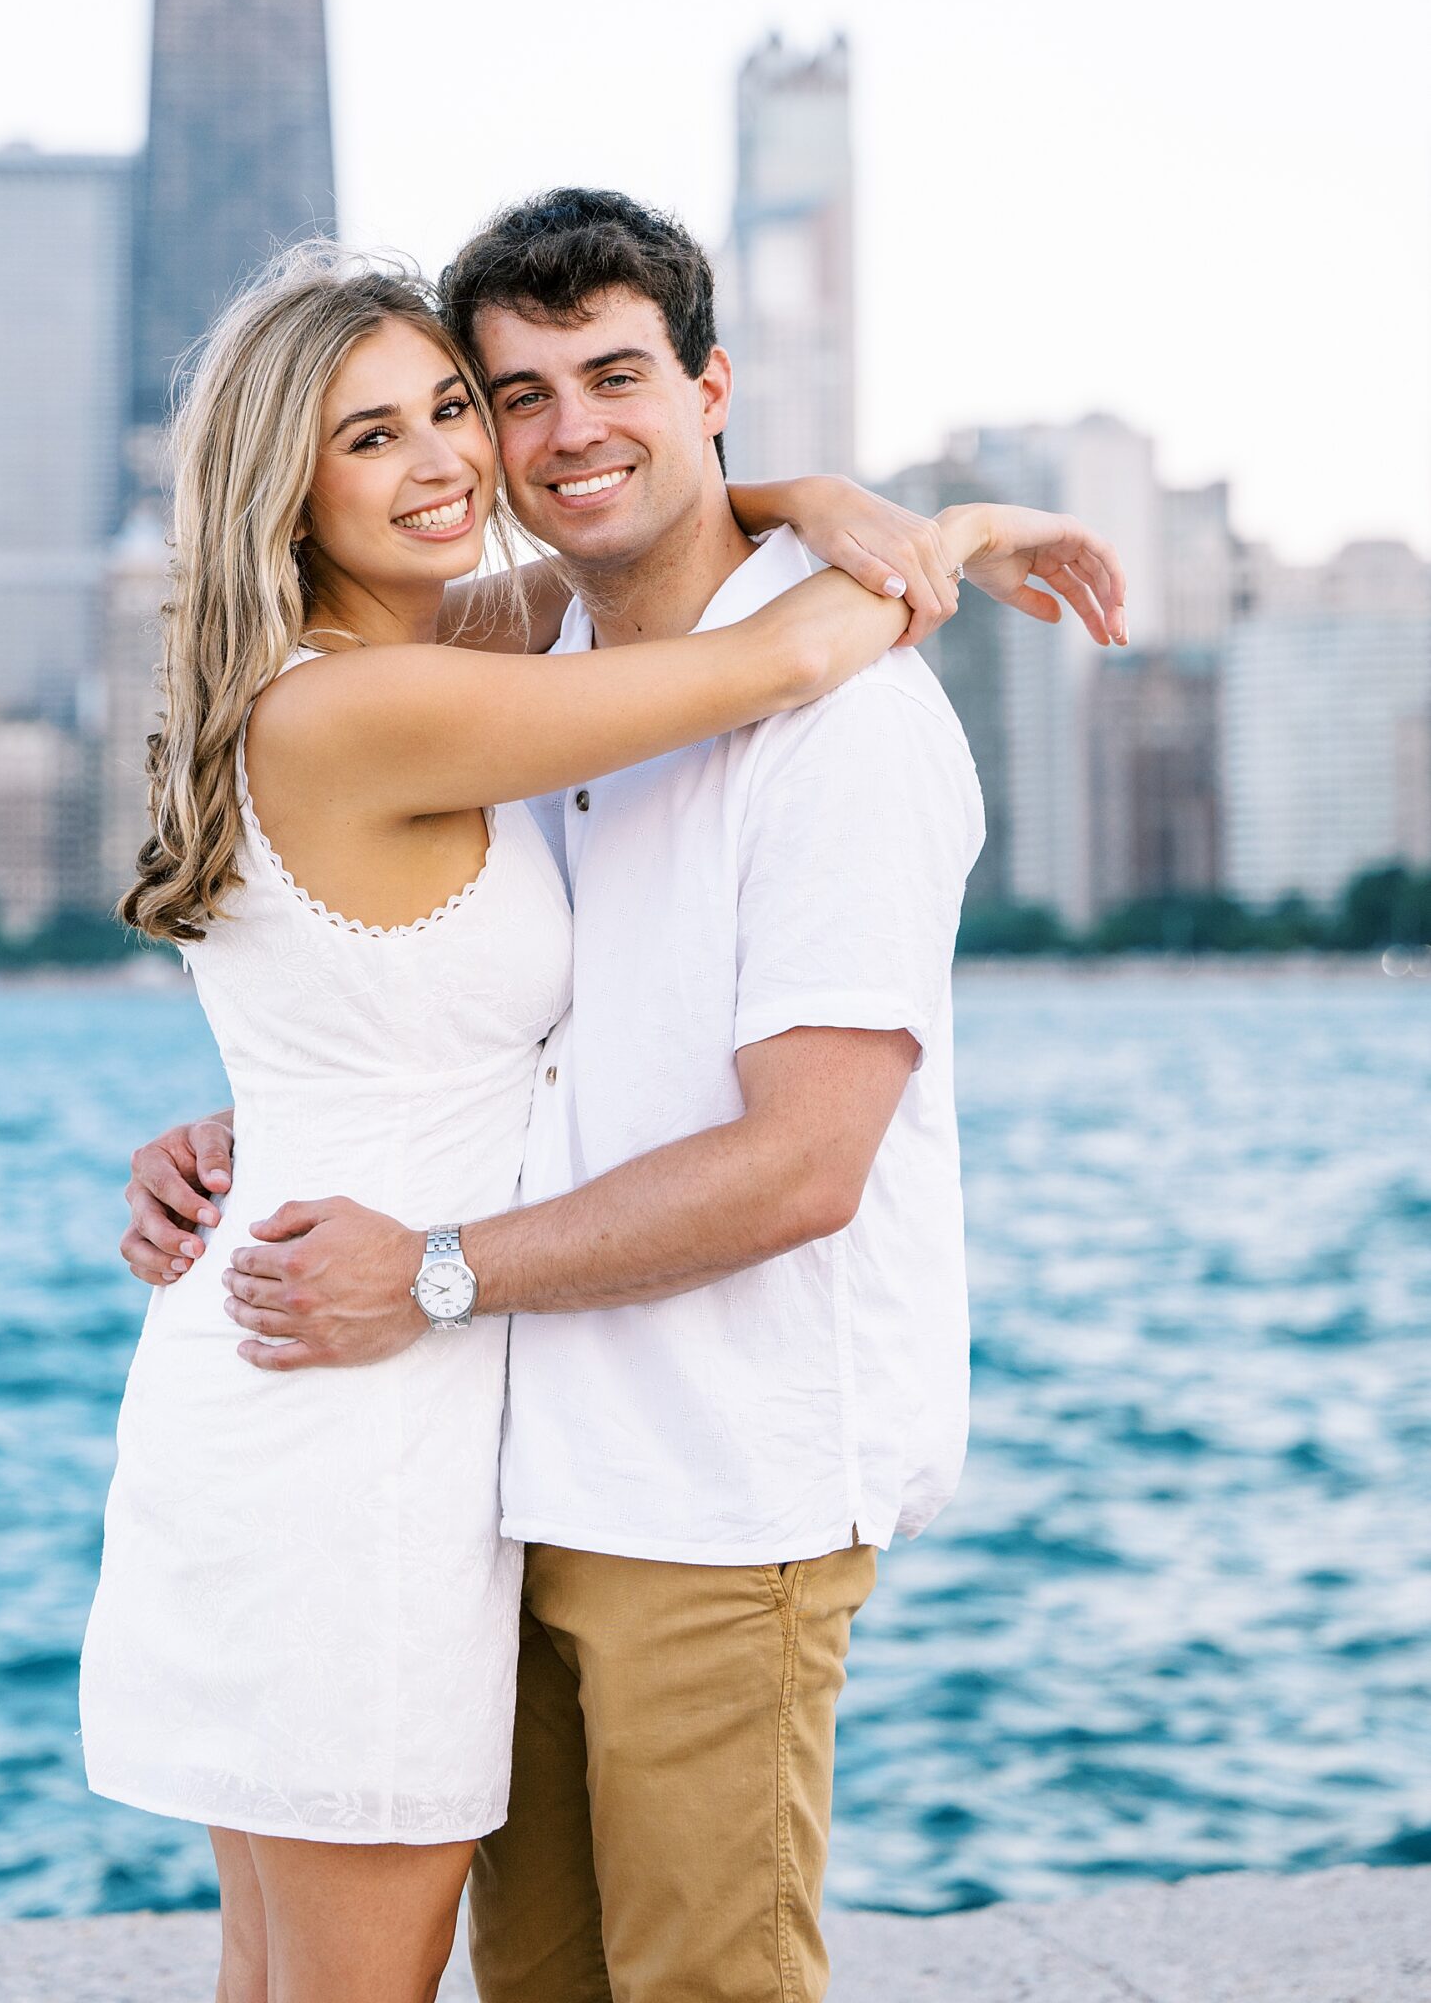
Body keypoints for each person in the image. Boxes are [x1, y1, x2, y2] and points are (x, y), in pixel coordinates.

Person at [121, 193, 1128, 2003]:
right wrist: (948, 528)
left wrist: (816, 501)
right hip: (401, 1425)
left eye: (457, 407)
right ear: (291, 486)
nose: (476, 451)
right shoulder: (433, 694)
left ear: (708, 389)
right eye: (411, 423)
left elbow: (795, 1158)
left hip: (645, 1463)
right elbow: (753, 650)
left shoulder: (563, 674)